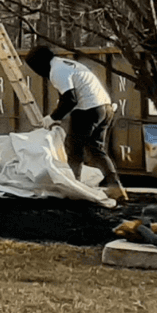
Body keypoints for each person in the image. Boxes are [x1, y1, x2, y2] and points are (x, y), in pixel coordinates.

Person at [28, 46, 127, 200]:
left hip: (88, 109)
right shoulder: (66, 64)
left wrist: (53, 117)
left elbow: (70, 99)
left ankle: (74, 189)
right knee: (96, 149)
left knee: (74, 150)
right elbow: (69, 95)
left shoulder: (56, 71)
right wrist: (59, 112)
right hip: (105, 108)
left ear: (40, 64)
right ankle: (116, 187)